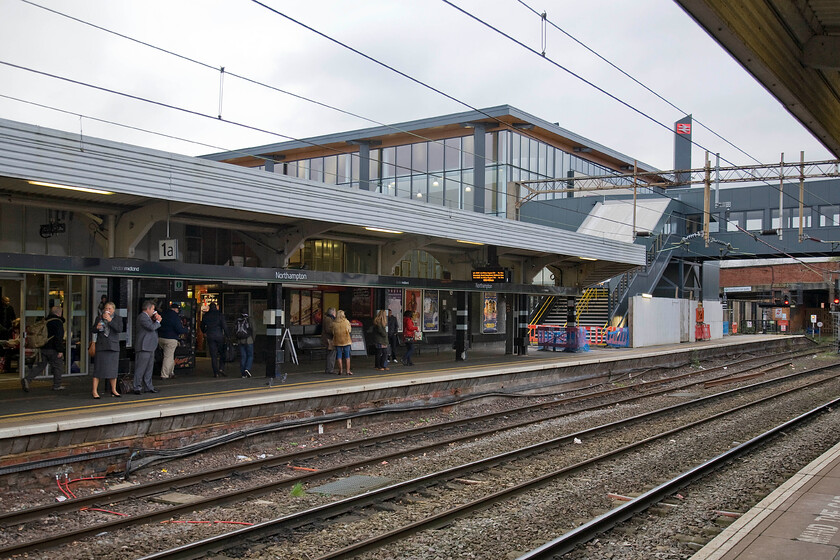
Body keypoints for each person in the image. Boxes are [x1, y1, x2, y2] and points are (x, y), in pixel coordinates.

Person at [21, 306, 65, 392]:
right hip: (53, 349)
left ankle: (28, 379)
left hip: (43, 347)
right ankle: (57, 385)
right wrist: (60, 350)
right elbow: (58, 338)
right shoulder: (58, 323)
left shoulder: (45, 321)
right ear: (59, 313)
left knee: (40, 366)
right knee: (58, 366)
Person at [91, 301, 123, 399]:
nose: (107, 310)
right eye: (106, 308)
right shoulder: (99, 318)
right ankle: (94, 391)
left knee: (113, 370)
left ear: (113, 310)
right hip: (101, 346)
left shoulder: (118, 319)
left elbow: (119, 329)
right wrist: (96, 327)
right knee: (98, 369)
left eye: (109, 309)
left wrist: (110, 321)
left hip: (113, 347)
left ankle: (113, 389)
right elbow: (93, 330)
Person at [133, 300, 161, 394]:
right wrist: (157, 321)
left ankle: (148, 386)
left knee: (149, 368)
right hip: (143, 346)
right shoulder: (142, 317)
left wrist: (154, 320)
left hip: (150, 346)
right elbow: (151, 327)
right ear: (148, 308)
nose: (154, 311)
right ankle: (137, 386)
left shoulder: (148, 318)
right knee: (140, 368)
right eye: (153, 309)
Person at [158, 303, 187, 379]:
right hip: (171, 339)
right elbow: (179, 329)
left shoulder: (163, 314)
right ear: (175, 309)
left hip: (160, 338)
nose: (178, 311)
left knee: (170, 356)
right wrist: (186, 330)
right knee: (168, 357)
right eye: (177, 309)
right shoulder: (175, 316)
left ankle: (171, 372)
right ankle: (164, 375)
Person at [200, 303, 228, 377]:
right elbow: (224, 326)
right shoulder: (220, 315)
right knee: (222, 353)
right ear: (216, 307)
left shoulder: (206, 315)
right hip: (219, 336)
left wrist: (204, 332)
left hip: (210, 336)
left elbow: (202, 325)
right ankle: (221, 368)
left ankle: (216, 372)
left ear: (209, 307)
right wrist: (228, 336)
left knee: (213, 355)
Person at [234, 308, 255, 378]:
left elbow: (234, 330)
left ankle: (243, 373)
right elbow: (254, 329)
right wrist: (253, 338)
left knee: (243, 356)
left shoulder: (238, 320)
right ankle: (247, 369)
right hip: (249, 340)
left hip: (240, 341)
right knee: (250, 355)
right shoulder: (249, 319)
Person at [332, 309, 352, 375]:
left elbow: (333, 332)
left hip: (337, 341)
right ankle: (348, 371)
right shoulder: (346, 322)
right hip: (346, 341)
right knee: (347, 356)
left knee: (339, 356)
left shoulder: (334, 323)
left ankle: (340, 370)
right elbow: (349, 330)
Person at [321, 307, 336, 374]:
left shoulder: (327, 318)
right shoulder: (329, 319)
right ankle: (330, 369)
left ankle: (329, 369)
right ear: (333, 313)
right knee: (331, 354)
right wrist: (335, 331)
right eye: (335, 312)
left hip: (327, 339)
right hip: (329, 339)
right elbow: (328, 329)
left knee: (330, 354)